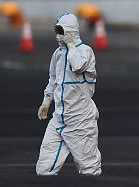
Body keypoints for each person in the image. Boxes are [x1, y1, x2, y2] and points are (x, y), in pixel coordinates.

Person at [36, 13, 102, 175]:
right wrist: (46, 101)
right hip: (59, 119)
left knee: (89, 168)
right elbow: (53, 80)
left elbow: (78, 65)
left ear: (70, 31)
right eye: (56, 31)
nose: (58, 35)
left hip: (80, 120)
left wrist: (71, 45)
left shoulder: (85, 51)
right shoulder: (58, 54)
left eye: (61, 31)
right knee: (44, 168)